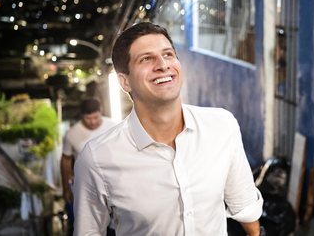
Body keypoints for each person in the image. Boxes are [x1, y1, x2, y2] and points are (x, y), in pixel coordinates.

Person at [73, 22, 263, 235]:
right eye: (146, 59)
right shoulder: (97, 158)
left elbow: (244, 204)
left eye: (168, 54)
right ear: (125, 82)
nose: (163, 65)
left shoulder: (221, 126)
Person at [60, 98, 116, 234]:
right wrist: (66, 188)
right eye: (88, 118)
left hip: (113, 183)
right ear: (81, 116)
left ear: (100, 112)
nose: (92, 122)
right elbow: (66, 160)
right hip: (87, 186)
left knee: (116, 224)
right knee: (90, 226)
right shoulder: (72, 134)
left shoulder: (113, 126)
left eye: (95, 117)